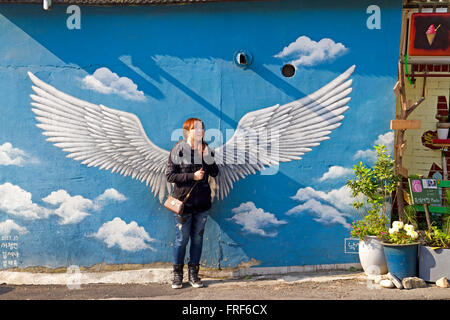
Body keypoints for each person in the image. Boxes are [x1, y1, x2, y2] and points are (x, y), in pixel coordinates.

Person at [165, 118, 219, 289]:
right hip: (183, 204)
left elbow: (215, 173)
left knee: (197, 239)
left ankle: (194, 274)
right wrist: (192, 176)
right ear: (187, 131)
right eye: (196, 129)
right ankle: (177, 274)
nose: (200, 132)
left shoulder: (206, 149)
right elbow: (170, 176)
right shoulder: (178, 150)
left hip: (202, 204)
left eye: (202, 129)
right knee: (182, 239)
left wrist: (208, 158)